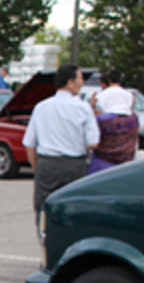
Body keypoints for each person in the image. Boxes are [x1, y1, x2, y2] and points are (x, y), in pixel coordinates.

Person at [22, 63, 99, 221]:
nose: (82, 83)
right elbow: (93, 142)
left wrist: (36, 166)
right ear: (70, 82)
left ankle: (45, 241)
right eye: (80, 78)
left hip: (47, 164)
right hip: (74, 165)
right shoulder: (83, 108)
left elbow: (29, 143)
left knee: (44, 209)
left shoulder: (41, 107)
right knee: (74, 208)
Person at [89, 71, 140, 173]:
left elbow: (91, 138)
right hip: (125, 164)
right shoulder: (133, 119)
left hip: (102, 164)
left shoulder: (102, 120)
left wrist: (92, 107)